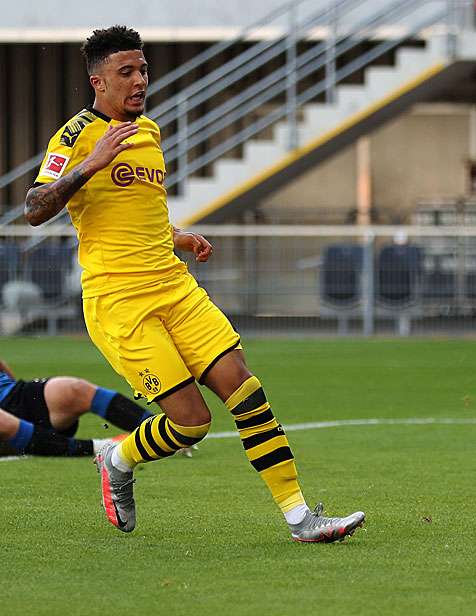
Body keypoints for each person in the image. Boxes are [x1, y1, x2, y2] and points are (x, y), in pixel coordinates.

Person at [23, 26, 364, 541]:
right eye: (127, 72)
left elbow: (137, 210)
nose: (140, 80)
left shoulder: (150, 132)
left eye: (143, 70)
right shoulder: (74, 137)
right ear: (98, 82)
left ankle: (301, 519)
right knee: (191, 423)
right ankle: (118, 457)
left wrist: (177, 236)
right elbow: (33, 208)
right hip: (120, 303)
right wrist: (92, 164)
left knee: (246, 390)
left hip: (175, 288)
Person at [0, 358, 151, 458]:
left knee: (73, 389)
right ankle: (102, 447)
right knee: (4, 422)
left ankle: (162, 431)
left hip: (11, 396)